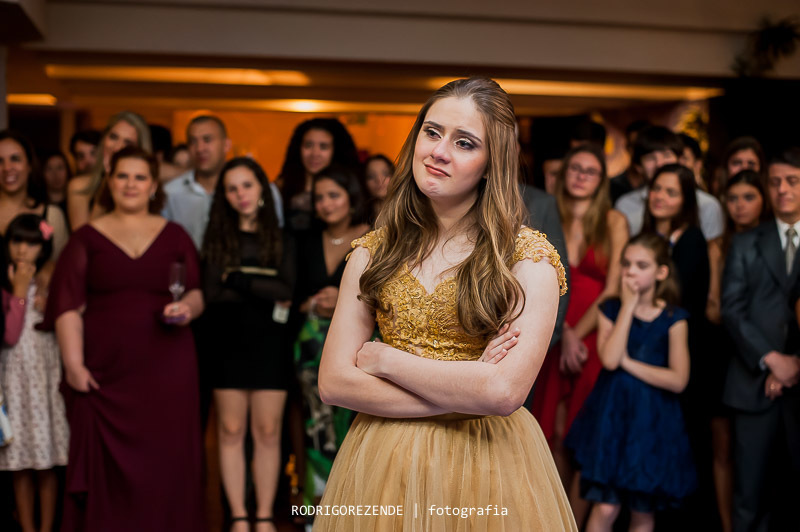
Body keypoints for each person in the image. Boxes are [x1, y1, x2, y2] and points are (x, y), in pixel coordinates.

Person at [315, 77, 576, 529]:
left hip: (488, 465)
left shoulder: (529, 260)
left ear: (493, 164)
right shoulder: (370, 253)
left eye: (465, 142)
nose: (438, 151)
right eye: (432, 132)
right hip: (381, 462)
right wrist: (467, 388)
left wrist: (383, 358)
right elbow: (335, 384)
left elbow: (503, 392)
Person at [42, 146, 205, 531]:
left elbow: (196, 292)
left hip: (168, 370)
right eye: (122, 176)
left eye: (140, 177)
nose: (130, 184)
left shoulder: (175, 234)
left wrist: (187, 311)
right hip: (106, 374)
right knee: (108, 470)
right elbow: (66, 306)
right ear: (109, 182)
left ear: (153, 186)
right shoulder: (85, 238)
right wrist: (74, 365)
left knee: (167, 459)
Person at [566, 232, 696, 532]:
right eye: (626, 264)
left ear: (661, 272)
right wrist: (628, 305)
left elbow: (678, 380)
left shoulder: (674, 319)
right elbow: (610, 359)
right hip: (613, 418)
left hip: (652, 422)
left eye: (641, 265)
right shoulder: (610, 310)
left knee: (642, 509)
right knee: (606, 505)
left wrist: (629, 363)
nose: (631, 271)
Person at [531, 144, 628, 523]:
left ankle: (575, 520)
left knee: (584, 431)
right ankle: (552, 519)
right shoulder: (545, 213)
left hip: (591, 337)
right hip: (549, 332)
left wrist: (573, 332)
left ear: (601, 179)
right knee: (551, 432)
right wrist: (562, 330)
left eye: (590, 171)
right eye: (575, 169)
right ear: (562, 174)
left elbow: (613, 288)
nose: (581, 176)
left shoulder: (613, 220)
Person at [201, 157, 295, 532]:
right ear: (224, 196)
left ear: (261, 190)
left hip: (271, 346)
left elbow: (287, 289)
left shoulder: (283, 239)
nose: (240, 194)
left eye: (247, 185)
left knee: (269, 433)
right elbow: (211, 295)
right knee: (229, 430)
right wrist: (262, 288)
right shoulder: (216, 239)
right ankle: (240, 517)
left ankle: (263, 517)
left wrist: (236, 279)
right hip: (227, 344)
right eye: (232, 188)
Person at [722, 147, 800, 532]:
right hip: (753, 385)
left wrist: (795, 362)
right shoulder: (746, 242)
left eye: (792, 181)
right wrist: (772, 358)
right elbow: (732, 310)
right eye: (775, 182)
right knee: (749, 498)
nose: (783, 189)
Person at [291, 164, 370, 510]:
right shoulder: (305, 240)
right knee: (316, 425)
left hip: (358, 349)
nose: (325, 204)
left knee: (354, 424)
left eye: (333, 196)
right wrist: (309, 303)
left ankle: (358, 508)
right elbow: (288, 295)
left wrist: (342, 300)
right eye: (319, 198)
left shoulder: (373, 237)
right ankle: (316, 508)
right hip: (309, 348)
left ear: (351, 198)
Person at [705, 169, 769, 532]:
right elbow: (714, 309)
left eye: (748, 197)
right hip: (723, 349)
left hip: (763, 350)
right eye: (733, 199)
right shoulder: (720, 244)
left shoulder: (777, 241)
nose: (739, 206)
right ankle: (729, 525)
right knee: (725, 444)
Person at [0, 214, 69, 532]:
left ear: (43, 247)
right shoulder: (5, 283)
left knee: (45, 461)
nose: (23, 250)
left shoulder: (51, 281)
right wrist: (18, 291)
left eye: (31, 242)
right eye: (17, 241)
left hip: (44, 380)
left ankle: (46, 528)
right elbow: (11, 335)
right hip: (14, 381)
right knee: (19, 464)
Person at [163, 114, 283, 249]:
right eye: (193, 141)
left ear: (226, 145)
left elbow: (277, 239)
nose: (200, 148)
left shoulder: (264, 190)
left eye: (207, 140)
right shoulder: (171, 192)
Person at [615, 126, 724, 240]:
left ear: (680, 160)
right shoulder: (625, 205)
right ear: (638, 167)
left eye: (666, 155)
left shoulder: (707, 205)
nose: (659, 164)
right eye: (650, 158)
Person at [66, 111, 152, 230]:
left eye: (128, 142)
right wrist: (107, 181)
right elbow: (83, 241)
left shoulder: (145, 185)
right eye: (113, 137)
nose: (117, 147)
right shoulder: (79, 186)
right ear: (103, 140)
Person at [278, 118, 360, 232]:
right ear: (298, 149)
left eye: (324, 146)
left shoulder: (352, 186)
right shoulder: (280, 187)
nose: (315, 153)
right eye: (308, 145)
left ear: (335, 150)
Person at [0, 130, 69, 259]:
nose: (7, 168)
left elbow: (63, 268)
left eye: (15, 159)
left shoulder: (52, 214)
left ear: (30, 165)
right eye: (0, 161)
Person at [609, 119, 651, 204]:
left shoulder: (657, 187)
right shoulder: (611, 185)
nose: (638, 152)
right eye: (634, 146)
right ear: (627, 147)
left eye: (643, 147)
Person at [42, 151, 73, 217]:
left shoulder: (75, 203)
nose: (55, 174)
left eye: (60, 168)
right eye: (49, 169)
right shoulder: (39, 207)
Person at [364, 153, 393, 221]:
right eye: (371, 176)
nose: (379, 180)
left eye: (386, 174)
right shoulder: (360, 221)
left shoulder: (409, 211)